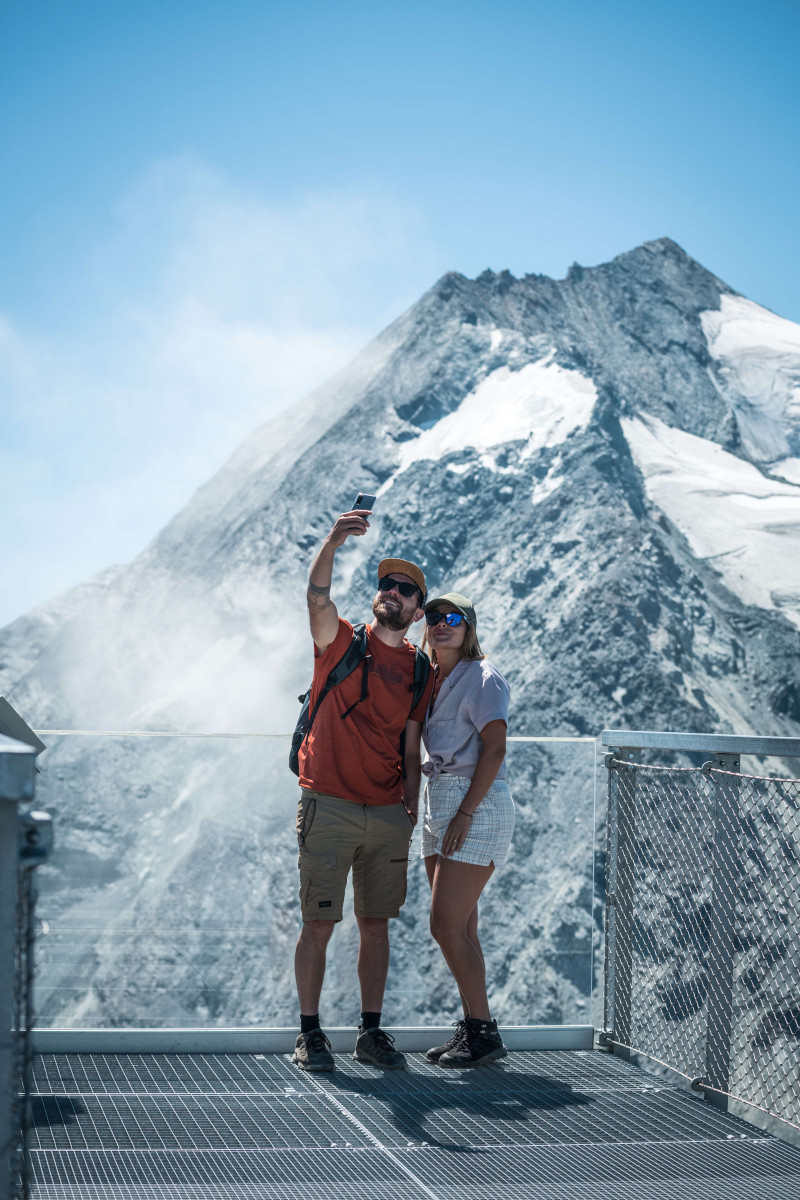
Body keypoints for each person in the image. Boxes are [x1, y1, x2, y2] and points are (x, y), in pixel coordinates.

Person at [292, 507, 433, 1073]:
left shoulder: (420, 670)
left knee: (376, 926)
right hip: (328, 801)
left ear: (417, 610)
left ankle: (370, 1033)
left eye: (405, 590)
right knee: (319, 922)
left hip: (387, 811)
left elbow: (410, 743)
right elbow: (316, 598)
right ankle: (310, 1033)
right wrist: (332, 540)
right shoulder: (342, 642)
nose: (391, 593)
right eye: (386, 585)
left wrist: (411, 807)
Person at [420, 592, 514, 1067]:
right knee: (462, 928)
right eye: (434, 617)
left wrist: (465, 814)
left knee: (444, 924)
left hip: (474, 805)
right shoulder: (432, 677)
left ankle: (483, 1031)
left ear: (469, 627)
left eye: (452, 618)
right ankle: (475, 1030)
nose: (442, 625)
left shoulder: (482, 677)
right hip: (440, 800)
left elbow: (494, 750)